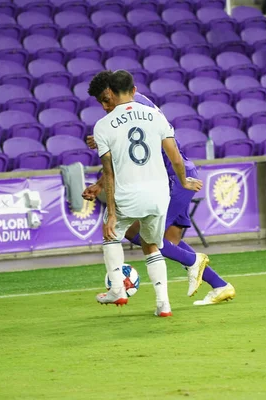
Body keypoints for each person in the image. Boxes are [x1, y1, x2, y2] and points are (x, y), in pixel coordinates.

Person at [84, 71, 236, 306]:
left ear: (115, 91)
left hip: (172, 180)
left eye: (107, 99)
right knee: (168, 241)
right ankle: (220, 285)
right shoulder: (137, 108)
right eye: (101, 102)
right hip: (178, 176)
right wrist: (99, 183)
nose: (105, 106)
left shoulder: (130, 111)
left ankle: (194, 261)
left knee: (139, 235)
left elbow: (129, 156)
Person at [93, 70, 203, 316]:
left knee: (111, 235)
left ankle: (118, 290)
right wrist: (184, 181)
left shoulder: (102, 126)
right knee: (152, 244)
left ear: (110, 92)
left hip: (128, 194)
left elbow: (109, 173)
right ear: (134, 91)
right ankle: (164, 305)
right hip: (159, 194)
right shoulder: (155, 115)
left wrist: (111, 213)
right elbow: (175, 157)